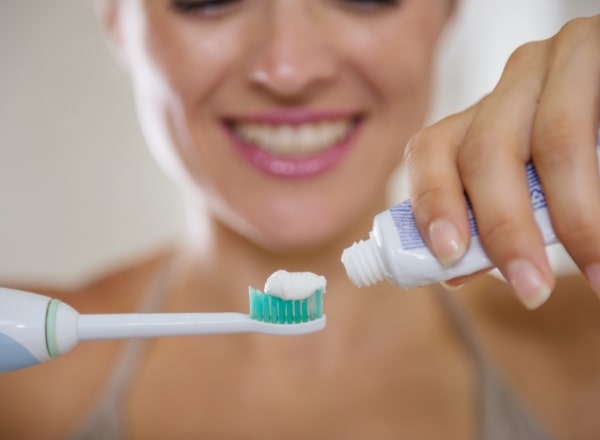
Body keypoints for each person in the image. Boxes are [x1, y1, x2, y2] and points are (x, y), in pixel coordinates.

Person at [1, 1, 599, 439]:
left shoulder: (585, 359)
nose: (288, 70)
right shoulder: (22, 396)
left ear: (448, 10)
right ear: (114, 18)